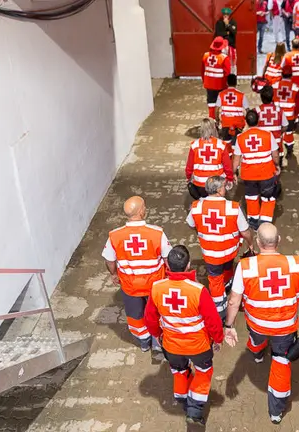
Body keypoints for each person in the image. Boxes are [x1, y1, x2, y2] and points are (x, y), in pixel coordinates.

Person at [223, 223, 299, 424]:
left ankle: (257, 355)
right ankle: (276, 412)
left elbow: (234, 300)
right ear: (279, 240)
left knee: (256, 339)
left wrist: (228, 326)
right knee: (281, 367)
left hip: (257, 323)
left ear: (257, 242)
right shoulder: (296, 263)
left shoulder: (245, 267)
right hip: (285, 327)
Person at [144, 246, 224, 425]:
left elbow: (149, 318)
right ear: (188, 265)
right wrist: (218, 339)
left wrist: (158, 335)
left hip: (171, 345)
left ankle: (182, 399)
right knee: (203, 372)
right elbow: (213, 321)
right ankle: (194, 411)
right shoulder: (198, 290)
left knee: (179, 371)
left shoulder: (157, 288)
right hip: (198, 346)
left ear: (168, 265)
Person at [102, 196, 172, 361]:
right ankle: (157, 342)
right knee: (156, 313)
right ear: (141, 211)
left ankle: (143, 341)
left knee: (135, 314)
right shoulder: (156, 233)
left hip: (130, 285)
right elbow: (168, 257)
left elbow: (109, 260)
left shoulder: (115, 235)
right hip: (154, 284)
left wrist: (114, 274)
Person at [186, 176, 255, 319]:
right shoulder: (233, 207)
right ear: (218, 190)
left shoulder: (196, 206)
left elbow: (192, 225)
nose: (226, 188)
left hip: (211, 253)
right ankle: (226, 293)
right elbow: (245, 232)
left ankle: (220, 310)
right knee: (227, 269)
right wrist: (251, 243)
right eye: (224, 186)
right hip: (230, 250)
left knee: (215, 279)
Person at [233, 110, 281, 229]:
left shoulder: (240, 138)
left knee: (251, 197)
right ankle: (265, 223)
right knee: (268, 198)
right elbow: (275, 155)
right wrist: (277, 165)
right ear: (258, 120)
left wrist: (233, 173)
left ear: (246, 121)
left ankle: (253, 222)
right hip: (267, 173)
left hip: (249, 175)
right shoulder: (268, 134)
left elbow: (236, 160)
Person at [185, 118, 234, 200]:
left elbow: (189, 166)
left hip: (199, 183)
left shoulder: (194, 145)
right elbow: (227, 166)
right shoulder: (221, 145)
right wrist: (230, 179)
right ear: (213, 128)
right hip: (217, 184)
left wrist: (188, 177)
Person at [256, 85, 289, 166]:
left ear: (261, 97)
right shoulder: (279, 110)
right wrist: (279, 132)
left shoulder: (256, 111)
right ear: (272, 96)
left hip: (262, 144)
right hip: (277, 144)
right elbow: (285, 126)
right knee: (277, 166)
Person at [272, 68, 299, 159]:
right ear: (291, 75)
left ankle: (278, 153)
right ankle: (289, 150)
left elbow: (270, 100)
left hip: (277, 115)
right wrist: (296, 117)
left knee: (277, 134)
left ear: (282, 74)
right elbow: (298, 105)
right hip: (289, 116)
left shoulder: (275, 85)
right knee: (288, 134)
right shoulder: (295, 87)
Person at [216, 74, 249, 149]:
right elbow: (247, 110)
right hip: (238, 125)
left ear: (227, 83)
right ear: (236, 83)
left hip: (225, 123)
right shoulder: (241, 95)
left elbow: (217, 108)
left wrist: (217, 120)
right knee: (236, 146)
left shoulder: (221, 94)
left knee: (226, 145)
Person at [202, 37, 231, 119]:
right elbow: (227, 73)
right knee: (222, 103)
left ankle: (212, 120)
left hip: (209, 85)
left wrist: (205, 81)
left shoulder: (206, 55)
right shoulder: (224, 58)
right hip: (221, 85)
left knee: (211, 103)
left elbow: (202, 71)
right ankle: (222, 120)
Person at [214, 7, 238, 74]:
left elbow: (234, 32)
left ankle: (232, 79)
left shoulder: (233, 22)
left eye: (227, 15)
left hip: (231, 46)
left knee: (232, 64)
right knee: (222, 63)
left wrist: (227, 25)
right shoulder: (219, 23)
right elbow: (218, 34)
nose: (225, 16)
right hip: (222, 47)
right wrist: (227, 33)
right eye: (224, 14)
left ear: (229, 15)